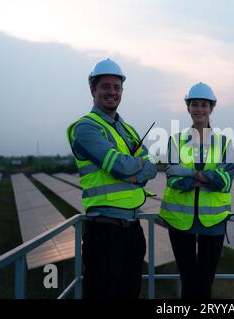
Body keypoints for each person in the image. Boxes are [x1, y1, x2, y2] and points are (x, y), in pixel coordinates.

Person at [67, 58, 157, 298]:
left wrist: (136, 175)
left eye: (117, 87)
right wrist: (135, 166)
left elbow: (151, 168)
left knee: (130, 294)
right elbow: (118, 165)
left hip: (133, 230)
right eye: (105, 86)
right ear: (93, 89)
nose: (112, 92)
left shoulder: (127, 129)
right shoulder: (86, 128)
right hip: (104, 232)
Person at [159, 82, 234, 299]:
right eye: (195, 104)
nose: (199, 109)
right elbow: (172, 178)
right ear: (188, 107)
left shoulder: (224, 143)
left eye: (204, 105)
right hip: (179, 220)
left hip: (213, 222)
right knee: (188, 281)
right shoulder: (175, 141)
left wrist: (190, 174)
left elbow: (225, 180)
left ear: (211, 108)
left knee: (204, 283)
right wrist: (206, 178)